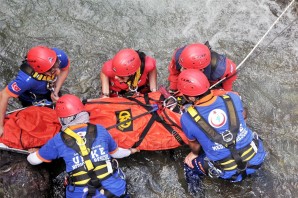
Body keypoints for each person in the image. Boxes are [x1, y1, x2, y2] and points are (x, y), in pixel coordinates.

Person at [27, 94, 139, 197]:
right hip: (115, 191)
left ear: (62, 119)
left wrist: (36, 152)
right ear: (82, 112)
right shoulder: (100, 130)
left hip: (82, 194)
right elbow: (117, 153)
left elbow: (33, 160)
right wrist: (131, 151)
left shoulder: (58, 140)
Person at [177, 69, 266, 182]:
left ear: (190, 98)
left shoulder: (187, 118)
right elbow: (243, 114)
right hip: (256, 159)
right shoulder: (232, 97)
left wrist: (193, 154)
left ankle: (195, 192)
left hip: (229, 172)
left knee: (189, 165)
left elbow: (195, 145)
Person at [0, 46, 70, 136]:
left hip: (50, 88)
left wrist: (55, 91)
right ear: (40, 71)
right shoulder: (24, 81)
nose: (57, 72)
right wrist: (0, 126)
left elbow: (65, 69)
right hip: (31, 98)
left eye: (56, 66)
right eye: (52, 71)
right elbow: (3, 95)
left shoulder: (59, 56)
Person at [168, 42, 237, 93]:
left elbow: (229, 80)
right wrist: (173, 89)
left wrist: (227, 93)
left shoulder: (221, 69)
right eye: (182, 67)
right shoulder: (179, 56)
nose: (181, 70)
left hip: (211, 79)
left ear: (201, 70)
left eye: (185, 68)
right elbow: (174, 73)